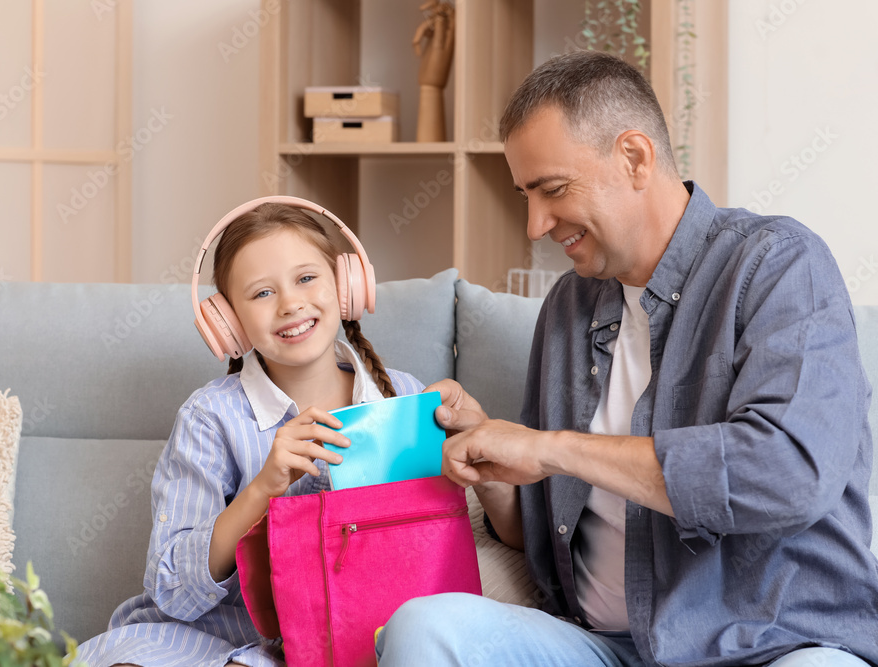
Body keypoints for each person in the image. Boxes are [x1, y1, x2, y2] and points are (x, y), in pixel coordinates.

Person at [375, 51, 878, 667]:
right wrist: (491, 456)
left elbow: (787, 473)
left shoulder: (778, 267)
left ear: (634, 158)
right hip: (602, 649)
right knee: (425, 628)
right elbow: (535, 535)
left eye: (552, 190)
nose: (534, 225)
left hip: (770, 648)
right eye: (525, 196)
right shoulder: (568, 305)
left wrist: (552, 448)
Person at [75, 202, 425, 667]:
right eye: (262, 293)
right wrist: (263, 488)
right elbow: (173, 590)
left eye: (306, 278)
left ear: (346, 285)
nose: (290, 304)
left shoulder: (401, 397)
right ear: (229, 321)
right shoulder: (210, 416)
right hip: (200, 635)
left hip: (327, 642)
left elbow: (427, 543)